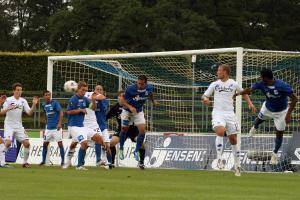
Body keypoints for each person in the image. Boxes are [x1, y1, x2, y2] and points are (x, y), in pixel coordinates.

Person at [234, 68, 298, 164]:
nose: (260, 78)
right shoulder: (261, 83)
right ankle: (254, 127)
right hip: (267, 108)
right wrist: (238, 93)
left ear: (266, 78)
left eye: (261, 77)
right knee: (259, 119)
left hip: (281, 112)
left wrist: (289, 114)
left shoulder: (281, 85)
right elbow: (249, 89)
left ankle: (274, 154)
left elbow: (295, 99)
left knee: (279, 133)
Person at [202, 64, 256, 176]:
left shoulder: (233, 83)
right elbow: (205, 95)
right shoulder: (215, 84)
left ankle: (237, 166)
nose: (217, 72)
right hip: (218, 113)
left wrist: (250, 103)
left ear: (225, 72)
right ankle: (219, 159)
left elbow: (244, 93)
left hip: (230, 114)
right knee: (220, 131)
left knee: (233, 139)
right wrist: (206, 99)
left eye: (219, 70)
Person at [118, 75, 159, 162]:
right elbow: (122, 101)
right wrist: (130, 107)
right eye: (139, 83)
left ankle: (136, 151)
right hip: (127, 111)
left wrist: (153, 101)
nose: (140, 85)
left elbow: (150, 94)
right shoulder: (130, 89)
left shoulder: (149, 88)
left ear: (145, 83)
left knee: (142, 131)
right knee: (124, 129)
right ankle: (121, 148)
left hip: (138, 111)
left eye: (142, 84)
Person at [0, 83, 39, 168]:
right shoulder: (8, 100)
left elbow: (29, 112)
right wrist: (8, 108)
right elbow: (1, 112)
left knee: (27, 144)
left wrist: (34, 104)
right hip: (9, 125)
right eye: (17, 90)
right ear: (13, 91)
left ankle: (25, 163)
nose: (19, 92)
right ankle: (2, 162)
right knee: (8, 143)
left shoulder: (23, 101)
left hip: (19, 126)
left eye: (20, 90)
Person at [107, 90, 146, 169]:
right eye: (121, 96)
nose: (123, 98)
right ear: (118, 98)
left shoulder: (132, 105)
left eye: (124, 96)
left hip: (133, 130)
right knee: (111, 143)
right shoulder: (115, 107)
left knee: (141, 144)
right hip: (121, 129)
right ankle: (112, 162)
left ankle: (141, 163)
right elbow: (106, 117)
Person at [65, 81, 97, 170]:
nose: (84, 92)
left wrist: (93, 101)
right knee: (84, 143)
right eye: (83, 90)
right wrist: (80, 110)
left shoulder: (85, 99)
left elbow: (93, 108)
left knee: (73, 144)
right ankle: (79, 165)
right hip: (73, 126)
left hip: (81, 127)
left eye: (86, 90)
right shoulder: (73, 99)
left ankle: (68, 160)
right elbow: (68, 112)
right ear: (78, 89)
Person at [40, 90, 65, 167]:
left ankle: (63, 161)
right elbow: (45, 114)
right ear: (44, 96)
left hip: (56, 128)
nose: (48, 96)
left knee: (60, 144)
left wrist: (59, 123)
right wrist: (46, 123)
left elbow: (61, 113)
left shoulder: (55, 103)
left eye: (49, 95)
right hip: (48, 128)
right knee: (45, 144)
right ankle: (43, 161)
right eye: (46, 95)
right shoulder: (43, 104)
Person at [94, 85, 113, 169]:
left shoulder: (105, 100)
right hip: (94, 126)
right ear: (94, 91)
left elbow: (103, 108)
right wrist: (95, 100)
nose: (98, 91)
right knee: (97, 141)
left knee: (107, 145)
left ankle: (110, 163)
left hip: (103, 125)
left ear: (102, 91)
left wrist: (100, 100)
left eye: (100, 89)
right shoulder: (91, 100)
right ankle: (98, 160)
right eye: (97, 89)